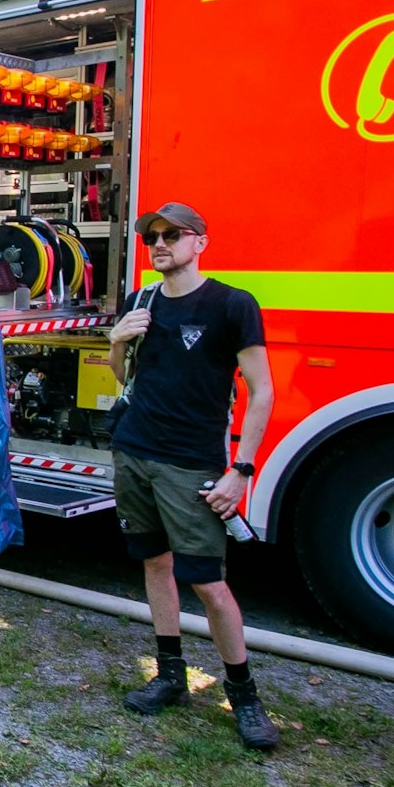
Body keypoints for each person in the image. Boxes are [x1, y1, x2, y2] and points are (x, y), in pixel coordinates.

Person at [107, 202, 278, 751]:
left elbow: (262, 390)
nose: (159, 244)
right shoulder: (142, 301)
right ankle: (170, 674)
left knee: (208, 581)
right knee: (155, 563)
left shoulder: (231, 304)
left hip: (191, 463)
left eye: (172, 235)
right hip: (134, 452)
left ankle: (244, 695)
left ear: (200, 242)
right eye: (151, 236)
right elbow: (123, 376)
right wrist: (117, 340)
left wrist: (241, 471)